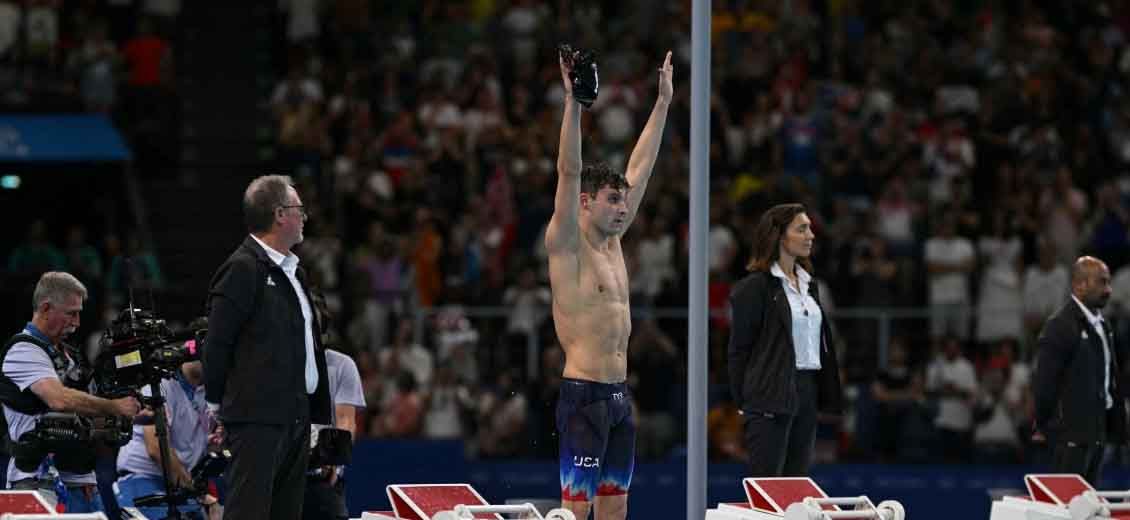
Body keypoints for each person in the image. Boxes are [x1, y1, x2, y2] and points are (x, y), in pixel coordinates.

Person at [546, 50, 672, 520]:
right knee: (576, 515)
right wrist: (574, 104)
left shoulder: (614, 242)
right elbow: (567, 169)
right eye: (613, 200)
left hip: (620, 397)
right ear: (585, 202)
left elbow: (641, 168)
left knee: (616, 513)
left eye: (624, 201)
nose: (623, 208)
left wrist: (661, 104)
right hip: (583, 397)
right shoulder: (566, 243)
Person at [203, 175, 332, 520]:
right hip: (256, 419)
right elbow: (217, 344)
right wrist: (216, 406)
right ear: (279, 214)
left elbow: (310, 347)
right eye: (298, 209)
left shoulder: (295, 272)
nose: (304, 216)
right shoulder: (242, 269)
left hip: (295, 417)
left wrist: (318, 418)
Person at [0, 272, 141, 509]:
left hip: (84, 482)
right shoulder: (22, 350)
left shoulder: (71, 355)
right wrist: (115, 406)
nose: (76, 322)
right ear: (45, 308)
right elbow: (59, 399)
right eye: (71, 313)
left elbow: (86, 411)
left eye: (79, 313)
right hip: (38, 482)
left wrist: (122, 415)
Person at [727, 203, 843, 477]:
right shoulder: (754, 288)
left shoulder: (809, 284)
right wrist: (746, 401)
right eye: (802, 229)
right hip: (769, 392)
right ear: (779, 236)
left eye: (811, 229)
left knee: (796, 487)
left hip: (806, 390)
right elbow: (738, 351)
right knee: (767, 487)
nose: (811, 235)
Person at [1032, 256, 1125, 485]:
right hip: (1070, 435)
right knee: (1066, 509)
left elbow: (1109, 378)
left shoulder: (1104, 325)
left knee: (1088, 507)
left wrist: (1116, 424)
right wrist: (1045, 424)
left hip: (1097, 431)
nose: (1108, 290)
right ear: (1079, 285)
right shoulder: (1060, 325)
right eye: (1101, 282)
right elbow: (1044, 382)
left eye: (1109, 282)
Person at [115, 358, 220, 519]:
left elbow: (202, 446)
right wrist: (196, 492)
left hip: (181, 484)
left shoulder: (211, 392)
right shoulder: (158, 383)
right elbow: (156, 449)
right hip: (144, 478)